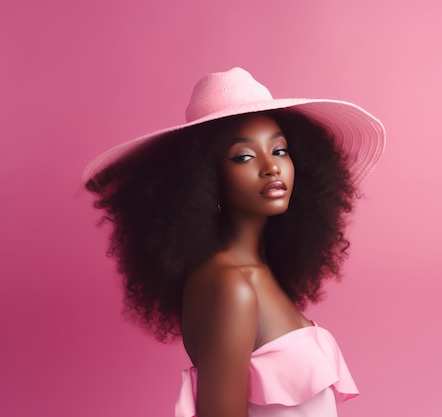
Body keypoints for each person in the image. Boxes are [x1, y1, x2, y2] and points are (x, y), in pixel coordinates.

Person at [83, 67, 385, 417]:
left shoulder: (257, 271)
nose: (271, 167)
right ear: (204, 180)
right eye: (244, 156)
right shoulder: (229, 285)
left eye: (280, 150)